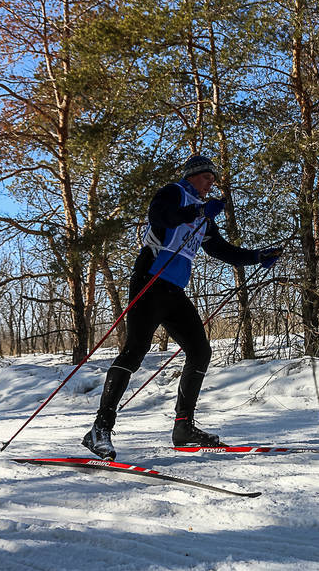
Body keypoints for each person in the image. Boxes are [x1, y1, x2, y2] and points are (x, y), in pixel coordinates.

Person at [82, 154, 283, 460]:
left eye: (213, 180)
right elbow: (161, 218)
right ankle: (100, 429)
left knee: (200, 350)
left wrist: (257, 256)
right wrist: (199, 209)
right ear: (192, 176)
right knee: (135, 351)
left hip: (174, 291)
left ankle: (183, 428)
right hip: (149, 282)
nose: (210, 184)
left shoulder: (203, 216)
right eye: (207, 178)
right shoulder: (172, 193)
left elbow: (220, 249)